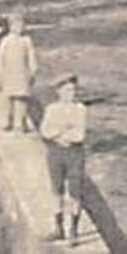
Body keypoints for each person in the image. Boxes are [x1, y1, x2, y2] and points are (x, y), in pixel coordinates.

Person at [39, 75, 88, 243]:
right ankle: (58, 228)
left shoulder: (80, 109)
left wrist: (57, 131)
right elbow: (45, 131)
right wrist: (64, 131)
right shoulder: (52, 109)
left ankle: (73, 230)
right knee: (56, 190)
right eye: (67, 90)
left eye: (73, 90)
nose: (71, 94)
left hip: (74, 154)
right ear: (59, 92)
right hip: (55, 153)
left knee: (75, 192)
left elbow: (79, 135)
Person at [0, 13, 37, 132]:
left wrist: (33, 70)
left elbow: (31, 56)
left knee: (22, 99)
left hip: (22, 73)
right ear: (11, 27)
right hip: (9, 72)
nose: (20, 28)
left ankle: (21, 123)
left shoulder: (26, 41)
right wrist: (0, 72)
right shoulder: (6, 41)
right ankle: (8, 121)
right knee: (10, 99)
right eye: (16, 25)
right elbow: (0, 57)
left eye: (21, 25)